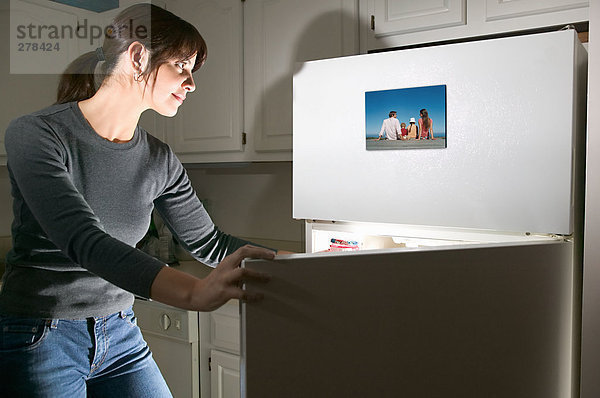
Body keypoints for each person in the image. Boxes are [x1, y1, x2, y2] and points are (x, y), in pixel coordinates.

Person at [0, 4, 276, 397]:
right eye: (182, 65)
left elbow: (210, 244)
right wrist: (194, 293)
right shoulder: (37, 134)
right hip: (42, 334)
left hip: (120, 332)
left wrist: (307, 267)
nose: (192, 82)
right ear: (137, 56)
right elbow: (85, 241)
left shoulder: (159, 158)